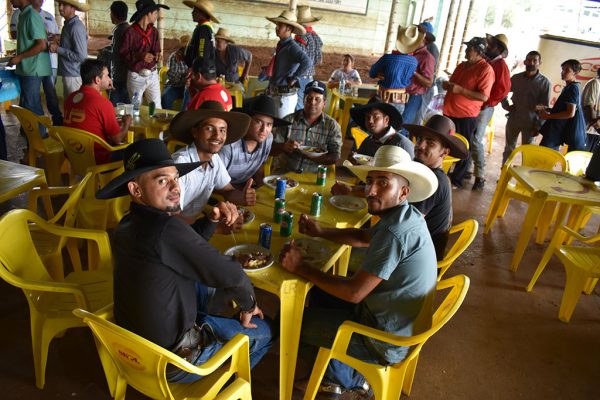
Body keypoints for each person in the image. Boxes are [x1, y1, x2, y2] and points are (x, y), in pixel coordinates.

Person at [96, 139, 274, 384]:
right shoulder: (165, 228)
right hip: (173, 361)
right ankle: (220, 387)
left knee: (203, 284)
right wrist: (248, 306)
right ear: (136, 190)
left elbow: (181, 245)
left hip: (135, 350)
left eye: (176, 178)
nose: (175, 187)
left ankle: (210, 328)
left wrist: (211, 220)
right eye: (162, 181)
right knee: (266, 330)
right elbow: (232, 274)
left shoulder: (127, 224)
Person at [279, 145, 438, 398]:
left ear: (403, 192)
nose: (371, 190)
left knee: (287, 322)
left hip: (381, 340)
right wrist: (321, 232)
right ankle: (332, 368)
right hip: (393, 319)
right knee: (318, 293)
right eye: (370, 181)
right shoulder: (405, 215)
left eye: (383, 183)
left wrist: (299, 267)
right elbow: (364, 238)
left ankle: (347, 378)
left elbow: (354, 293)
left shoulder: (394, 232)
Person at [169, 102, 256, 222]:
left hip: (195, 222)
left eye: (222, 130)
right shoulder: (180, 164)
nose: (217, 136)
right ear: (195, 132)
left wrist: (242, 197)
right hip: (175, 227)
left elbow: (227, 190)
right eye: (209, 128)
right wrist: (212, 225)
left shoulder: (214, 158)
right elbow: (172, 217)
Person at [404, 115, 468, 259]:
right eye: (420, 139)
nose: (420, 145)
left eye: (430, 143)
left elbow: (405, 227)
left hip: (418, 258)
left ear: (444, 152)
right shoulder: (424, 171)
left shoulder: (432, 181)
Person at [442, 37, 494, 189]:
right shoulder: (462, 65)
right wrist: (448, 86)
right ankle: (444, 173)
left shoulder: (485, 70)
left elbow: (484, 96)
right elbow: (454, 83)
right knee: (447, 143)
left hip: (466, 115)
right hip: (449, 111)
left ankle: (457, 180)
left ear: (479, 52)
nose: (466, 51)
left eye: (469, 49)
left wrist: (460, 90)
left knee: (463, 147)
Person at [63, 59, 133, 164]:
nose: (109, 79)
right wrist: (127, 122)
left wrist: (102, 90)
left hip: (74, 155)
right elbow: (117, 139)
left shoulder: (70, 98)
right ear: (97, 80)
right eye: (107, 75)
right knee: (135, 150)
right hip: (97, 159)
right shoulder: (103, 104)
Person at [219, 94, 291, 188]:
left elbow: (259, 167)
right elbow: (216, 180)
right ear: (247, 121)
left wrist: (262, 188)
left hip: (245, 186)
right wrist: (237, 193)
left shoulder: (268, 139)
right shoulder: (229, 145)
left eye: (269, 125)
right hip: (222, 190)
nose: (263, 129)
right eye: (258, 122)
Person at [10, 0, 63, 126]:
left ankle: (41, 134)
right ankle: (28, 131)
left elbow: (41, 45)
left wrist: (19, 58)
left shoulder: (31, 16)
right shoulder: (23, 14)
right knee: (26, 103)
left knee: (32, 105)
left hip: (34, 68)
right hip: (30, 68)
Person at [271, 80, 342, 173]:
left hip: (314, 177)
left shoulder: (332, 126)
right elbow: (270, 150)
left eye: (317, 99)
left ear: (324, 103)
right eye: (309, 98)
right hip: (285, 174)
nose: (312, 102)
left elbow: (335, 157)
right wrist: (283, 147)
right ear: (303, 100)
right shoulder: (288, 121)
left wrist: (312, 156)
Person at [470, 33, 511, 190]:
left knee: (476, 139)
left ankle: (480, 175)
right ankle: (467, 169)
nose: (488, 47)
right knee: (470, 137)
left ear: (499, 48)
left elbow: (503, 90)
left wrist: (486, 102)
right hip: (475, 105)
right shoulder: (488, 61)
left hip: (484, 107)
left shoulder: (501, 66)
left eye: (492, 45)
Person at [500, 50, 551, 165]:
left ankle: (524, 175)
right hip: (514, 118)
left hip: (531, 122)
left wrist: (538, 126)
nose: (531, 62)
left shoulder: (544, 83)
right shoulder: (516, 78)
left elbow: (545, 107)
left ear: (539, 63)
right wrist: (505, 105)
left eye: (535, 60)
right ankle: (504, 172)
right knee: (509, 148)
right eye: (529, 60)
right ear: (525, 62)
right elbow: (503, 92)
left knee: (527, 152)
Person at [120, 0, 169, 109]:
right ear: (148, 13)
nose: (156, 16)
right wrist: (140, 56)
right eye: (155, 13)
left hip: (152, 74)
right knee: (136, 108)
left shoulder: (154, 32)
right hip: (136, 76)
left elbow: (156, 49)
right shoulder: (130, 32)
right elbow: (123, 53)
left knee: (156, 107)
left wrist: (157, 55)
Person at [264, 10, 312, 118]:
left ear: (289, 29)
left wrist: (294, 78)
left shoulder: (292, 47)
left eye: (280, 25)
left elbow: (307, 62)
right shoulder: (283, 45)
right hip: (276, 93)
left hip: (284, 97)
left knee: (283, 124)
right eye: (277, 25)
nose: (276, 28)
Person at [369, 25, 420, 114]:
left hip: (384, 99)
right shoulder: (414, 62)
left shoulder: (387, 58)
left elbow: (372, 73)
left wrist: (379, 73)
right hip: (401, 100)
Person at [538, 59, 587, 152]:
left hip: (557, 131)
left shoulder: (573, 88)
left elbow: (570, 113)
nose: (563, 72)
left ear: (575, 72)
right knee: (547, 154)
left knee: (545, 155)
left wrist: (548, 116)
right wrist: (548, 109)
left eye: (566, 70)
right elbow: (564, 109)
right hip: (555, 130)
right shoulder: (569, 87)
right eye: (562, 69)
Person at [348, 98, 415, 160]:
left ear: (386, 120)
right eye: (367, 117)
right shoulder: (367, 142)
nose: (370, 121)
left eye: (376, 117)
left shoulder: (402, 144)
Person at [50, 0, 89, 96]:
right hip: (70, 74)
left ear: (73, 8)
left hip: (73, 76)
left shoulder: (75, 27)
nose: (60, 8)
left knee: (73, 104)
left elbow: (81, 56)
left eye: (64, 5)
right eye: (60, 4)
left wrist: (57, 49)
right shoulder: (68, 25)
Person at [402, 25, 435, 125]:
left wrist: (413, 72)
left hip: (414, 96)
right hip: (400, 93)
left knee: (404, 123)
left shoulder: (427, 57)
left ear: (424, 40)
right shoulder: (406, 52)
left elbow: (429, 83)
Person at [294, 5, 323, 111]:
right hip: (309, 77)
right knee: (304, 104)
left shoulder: (300, 37)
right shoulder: (316, 37)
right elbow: (319, 60)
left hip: (300, 76)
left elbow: (297, 60)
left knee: (298, 105)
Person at [414, 20, 440, 127]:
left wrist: (413, 72)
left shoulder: (432, 49)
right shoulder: (413, 46)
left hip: (425, 89)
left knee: (417, 117)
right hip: (415, 87)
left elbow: (429, 72)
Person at [182, 0, 218, 69]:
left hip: (200, 71)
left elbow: (202, 52)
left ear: (203, 13)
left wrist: (197, 69)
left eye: (195, 11)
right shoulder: (206, 27)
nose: (192, 13)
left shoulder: (203, 29)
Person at [107, 1, 130, 105]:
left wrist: (104, 52)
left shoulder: (119, 30)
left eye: (111, 13)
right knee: (127, 104)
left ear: (114, 14)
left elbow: (116, 55)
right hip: (128, 75)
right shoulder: (129, 28)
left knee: (113, 105)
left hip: (119, 76)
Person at [161, 35, 190, 110]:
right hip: (174, 86)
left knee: (189, 96)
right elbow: (172, 78)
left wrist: (190, 79)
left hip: (188, 87)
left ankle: (183, 116)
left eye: (188, 48)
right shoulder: (174, 57)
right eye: (184, 48)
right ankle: (168, 116)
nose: (186, 50)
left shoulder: (194, 57)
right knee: (165, 97)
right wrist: (185, 76)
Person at [581, 68, 600, 151]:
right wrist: (597, 126)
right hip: (588, 131)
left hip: (596, 133)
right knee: (579, 156)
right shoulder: (595, 83)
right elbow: (589, 106)